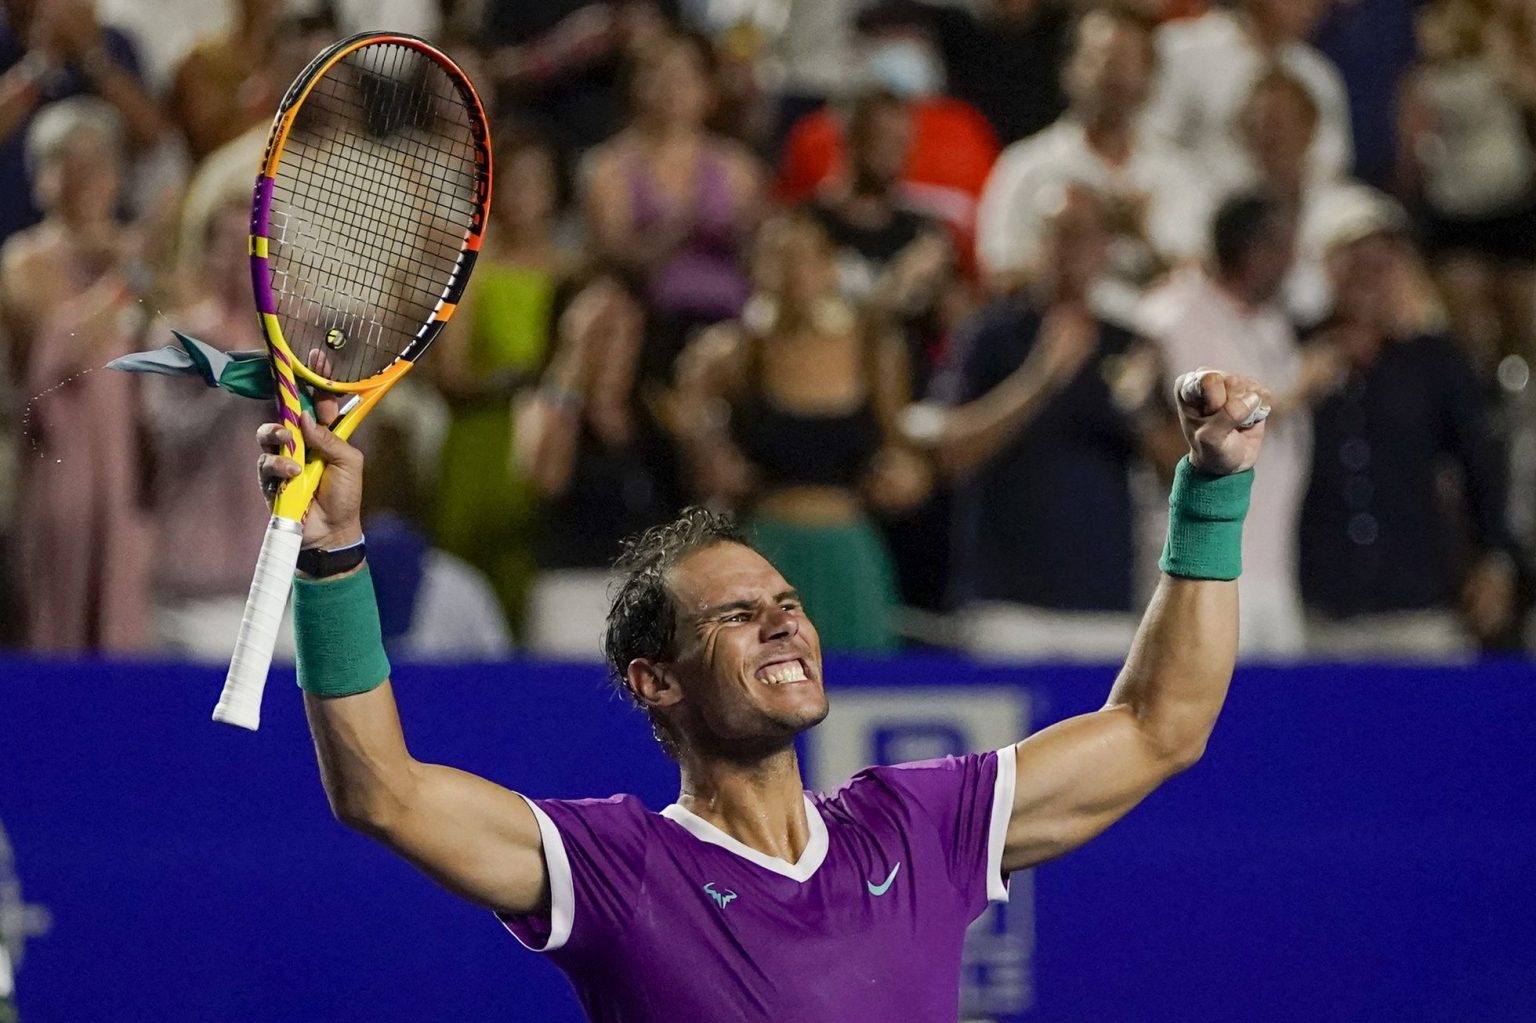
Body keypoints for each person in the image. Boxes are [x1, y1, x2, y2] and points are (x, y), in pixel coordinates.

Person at [254, 334, 1273, 1019]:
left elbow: (1160, 726)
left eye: (786, 603)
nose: (784, 621)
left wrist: (1214, 493)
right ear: (658, 681)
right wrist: (332, 555)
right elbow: (381, 791)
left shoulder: (919, 829)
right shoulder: (619, 867)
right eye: (737, 615)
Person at [913, 185, 1171, 659]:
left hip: (1104, 605)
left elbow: (1174, 469)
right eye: (1061, 236)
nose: (1072, 251)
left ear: (1106, 251)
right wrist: (1041, 376)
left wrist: (1139, 407)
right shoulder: (990, 335)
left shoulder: (1128, 343)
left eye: (1086, 237)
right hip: (1007, 605)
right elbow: (952, 454)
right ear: (1039, 244)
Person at [675, 213, 930, 653]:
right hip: (768, 547)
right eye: (778, 259)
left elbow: (905, 455)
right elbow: (689, 414)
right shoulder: (735, 353)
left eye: (806, 258)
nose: (793, 273)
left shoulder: (871, 349)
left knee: (858, 682)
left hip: (847, 548)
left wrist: (904, 476)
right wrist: (709, 449)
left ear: (830, 266)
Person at [1299, 189, 1521, 657]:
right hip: (1319, 609)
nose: (1368, 275)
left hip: (1420, 605)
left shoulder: (1435, 361)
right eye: (1353, 260)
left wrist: (1495, 558)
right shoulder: (1292, 354)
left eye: (1382, 261)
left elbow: (1481, 464)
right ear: (1326, 267)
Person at [1139, 191, 1335, 657]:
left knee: (1276, 720)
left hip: (1273, 564)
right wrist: (1297, 392)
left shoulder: (1272, 322)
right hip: (1202, 562)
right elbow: (1214, 417)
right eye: (1284, 248)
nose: (1292, 262)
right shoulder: (1175, 315)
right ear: (1255, 250)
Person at [5, 97, 153, 653]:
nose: (88, 178)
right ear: (43, 176)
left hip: (130, 463)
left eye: (100, 162)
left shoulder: (140, 257)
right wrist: (123, 275)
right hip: (60, 461)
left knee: (126, 614)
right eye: (70, 161)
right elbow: (51, 350)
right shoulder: (25, 261)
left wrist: (140, 266)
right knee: (57, 614)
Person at [975, 6, 1211, 318]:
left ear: (1151, 78)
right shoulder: (1024, 165)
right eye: (1099, 58)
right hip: (1057, 339)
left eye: (1127, 61)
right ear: (1068, 70)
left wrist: (1140, 235)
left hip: (1158, 344)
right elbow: (1000, 276)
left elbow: (1201, 283)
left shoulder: (1179, 174)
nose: (1112, 74)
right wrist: (1075, 243)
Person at [429, 131, 572, 634]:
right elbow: (449, 372)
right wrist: (505, 383)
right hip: (479, 444)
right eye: (513, 182)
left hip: (550, 446)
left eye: (535, 183)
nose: (522, 195)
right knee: (468, 587)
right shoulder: (474, 269)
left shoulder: (573, 270)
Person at [513, 272, 684, 658]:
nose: (614, 346)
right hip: (573, 588)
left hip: (652, 591)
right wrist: (574, 360)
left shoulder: (657, 412)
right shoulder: (545, 404)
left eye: (625, 330)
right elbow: (545, 479)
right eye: (601, 333)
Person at [581, 30, 762, 380]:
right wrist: (677, 231)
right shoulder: (609, 166)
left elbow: (757, 248)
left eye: (685, 76)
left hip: (730, 322)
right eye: (658, 74)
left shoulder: (737, 166)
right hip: (645, 322)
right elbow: (613, 253)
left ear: (708, 89)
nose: (672, 87)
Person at [1399, 0, 1536, 376]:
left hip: (1513, 203)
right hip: (1456, 210)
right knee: (1470, 328)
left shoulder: (1500, 62)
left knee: (1526, 316)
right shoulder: (1421, 84)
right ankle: (1480, 399)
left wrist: (1505, 53)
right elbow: (1409, 155)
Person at [1142, 0, 1351, 195]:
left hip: (1289, 217)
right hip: (1190, 207)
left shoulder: (1318, 74)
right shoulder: (1182, 48)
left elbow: (1330, 166)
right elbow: (1154, 141)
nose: (1313, 5)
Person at [1238, 66, 1370, 327]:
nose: (1271, 137)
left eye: (1279, 123)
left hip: (1338, 332)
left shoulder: (1354, 208)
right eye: (1259, 125)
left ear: (1310, 128)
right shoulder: (1226, 211)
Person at [853, 0, 1074, 146]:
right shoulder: (962, 30)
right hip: (973, 149)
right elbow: (874, 17)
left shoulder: (1059, 30)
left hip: (1042, 149)